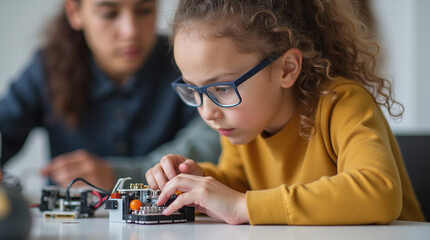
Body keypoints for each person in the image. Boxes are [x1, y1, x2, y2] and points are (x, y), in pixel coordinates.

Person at [145, 0, 426, 225]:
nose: (207, 112)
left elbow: (379, 192)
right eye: (193, 90)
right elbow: (241, 185)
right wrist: (200, 181)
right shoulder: (242, 124)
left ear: (286, 68)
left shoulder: (341, 103)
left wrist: (242, 205)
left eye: (221, 88)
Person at [0, 0, 220, 190]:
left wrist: (117, 174)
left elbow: (215, 141)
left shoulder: (185, 61)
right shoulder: (46, 68)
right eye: (109, 14)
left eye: (144, 10)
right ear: (74, 12)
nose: (130, 31)